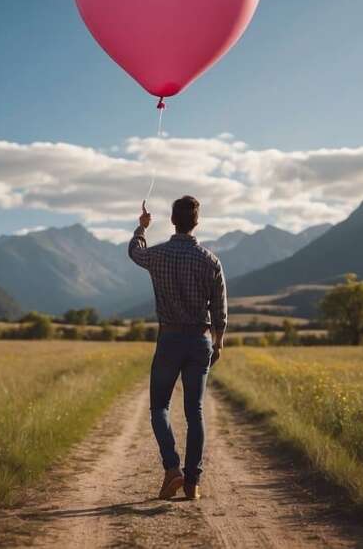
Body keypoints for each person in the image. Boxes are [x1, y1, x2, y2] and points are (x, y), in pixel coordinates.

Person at [128, 195, 227, 501]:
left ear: (172, 220)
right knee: (195, 411)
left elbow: (135, 252)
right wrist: (218, 341)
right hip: (199, 341)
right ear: (196, 222)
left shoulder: (158, 255)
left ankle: (172, 469)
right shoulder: (210, 260)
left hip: (169, 339)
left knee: (159, 407)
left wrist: (142, 228)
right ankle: (193, 483)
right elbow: (219, 308)